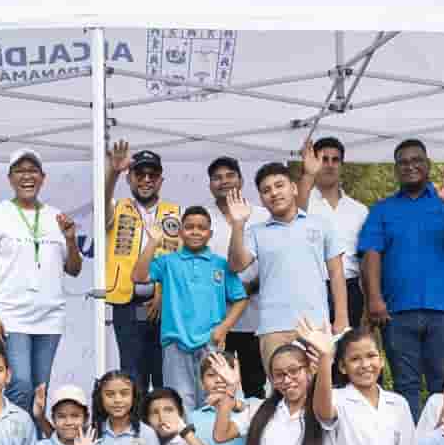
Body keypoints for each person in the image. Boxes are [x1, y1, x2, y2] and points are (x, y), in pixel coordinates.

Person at [358, 139, 444, 418]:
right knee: (405, 386)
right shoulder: (382, 209)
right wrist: (374, 300)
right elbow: (371, 255)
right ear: (396, 169)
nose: (410, 166)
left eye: (417, 160)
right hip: (397, 312)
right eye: (403, 162)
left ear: (428, 165)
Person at [0, 149, 83, 412]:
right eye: (20, 171)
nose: (27, 176)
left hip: (50, 316)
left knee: (39, 389)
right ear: (10, 178)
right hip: (11, 315)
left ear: (43, 178)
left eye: (33, 171)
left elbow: (74, 269)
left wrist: (70, 238)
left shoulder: (55, 216)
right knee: (19, 384)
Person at [222, 165, 347, 369]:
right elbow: (236, 265)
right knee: (282, 393)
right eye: (266, 190)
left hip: (315, 326)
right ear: (261, 199)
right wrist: (238, 225)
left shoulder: (320, 224)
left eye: (279, 185)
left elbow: (336, 272)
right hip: (273, 328)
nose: (274, 193)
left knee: (319, 392)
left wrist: (341, 318)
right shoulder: (255, 231)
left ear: (294, 188)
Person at [136, 204, 248, 408]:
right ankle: (186, 441)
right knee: (180, 403)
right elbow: (139, 276)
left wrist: (223, 329)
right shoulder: (168, 261)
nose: (195, 231)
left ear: (210, 233)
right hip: (176, 343)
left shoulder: (221, 264)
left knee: (215, 400)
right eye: (189, 227)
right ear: (180, 232)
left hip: (211, 344)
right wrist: (152, 242)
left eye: (201, 227)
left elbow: (240, 299)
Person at [103, 142, 181, 391]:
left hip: (164, 306)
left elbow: (178, 262)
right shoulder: (117, 207)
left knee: (163, 375)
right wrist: (113, 173)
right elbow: (102, 206)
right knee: (131, 375)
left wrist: (163, 293)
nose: (146, 180)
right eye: (140, 174)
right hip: (126, 303)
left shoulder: (176, 213)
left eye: (153, 175)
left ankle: (163, 428)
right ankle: (135, 427)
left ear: (161, 180)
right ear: (130, 178)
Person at [205, 157, 268, 399]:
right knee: (218, 383)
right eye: (217, 178)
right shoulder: (203, 218)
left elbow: (272, 259)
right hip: (219, 317)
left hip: (257, 315)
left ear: (241, 180)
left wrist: (250, 286)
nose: (224, 182)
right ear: (210, 184)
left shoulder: (261, 215)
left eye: (230, 176)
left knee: (255, 384)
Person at [295, 136, 369, 320]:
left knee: (347, 347)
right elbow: (293, 221)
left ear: (342, 165)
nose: (329, 165)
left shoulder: (359, 210)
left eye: (335, 160)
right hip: (311, 286)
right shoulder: (302, 201)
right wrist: (307, 175)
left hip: (350, 288)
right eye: (323, 159)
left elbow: (366, 260)